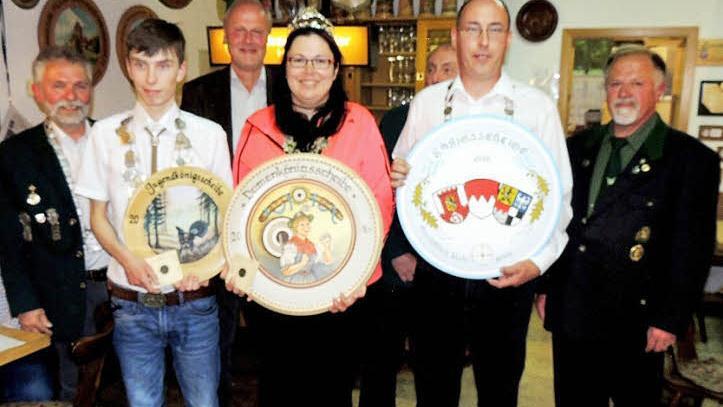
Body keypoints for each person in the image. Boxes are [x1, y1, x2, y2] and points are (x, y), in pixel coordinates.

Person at [390, 0, 573, 405]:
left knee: (499, 390)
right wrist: (398, 175)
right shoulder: (427, 104)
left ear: (508, 40)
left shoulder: (537, 108)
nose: (483, 41)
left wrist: (538, 262)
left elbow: (560, 196)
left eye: (494, 29)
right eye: (473, 28)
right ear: (456, 37)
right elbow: (402, 175)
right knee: (433, 390)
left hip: (508, 276)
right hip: (437, 275)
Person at [535, 44, 720, 407]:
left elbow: (693, 248)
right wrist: (546, 287)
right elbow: (555, 222)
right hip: (573, 308)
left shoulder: (691, 159)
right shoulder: (576, 148)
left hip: (639, 319)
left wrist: (671, 318)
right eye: (615, 83)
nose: (623, 92)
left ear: (660, 90)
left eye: (636, 83)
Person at [226, 8, 393, 406]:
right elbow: (239, 205)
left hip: (340, 292)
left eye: (320, 60)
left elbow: (380, 204)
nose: (309, 70)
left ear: (335, 70)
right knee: (278, 388)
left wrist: (356, 276)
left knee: (331, 389)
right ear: (284, 68)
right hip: (274, 292)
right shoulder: (258, 126)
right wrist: (238, 264)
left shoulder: (360, 123)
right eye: (298, 60)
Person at [75, 19, 232, 406]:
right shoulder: (105, 135)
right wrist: (127, 259)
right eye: (141, 64)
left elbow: (225, 216)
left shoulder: (210, 135)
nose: (150, 78)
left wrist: (208, 267)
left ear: (181, 70)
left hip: (193, 301)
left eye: (163, 65)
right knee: (142, 402)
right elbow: (97, 217)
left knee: (204, 401)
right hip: (131, 303)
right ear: (129, 68)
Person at [0, 46, 110, 402]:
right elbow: (8, 241)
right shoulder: (14, 154)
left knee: (127, 380)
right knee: (73, 389)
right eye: (58, 85)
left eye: (80, 85)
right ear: (37, 92)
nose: (71, 96)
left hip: (121, 285)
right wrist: (25, 304)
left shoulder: (114, 139)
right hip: (60, 294)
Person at [180, 3, 275, 402]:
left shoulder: (290, 87)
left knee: (275, 341)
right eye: (239, 31)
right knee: (217, 341)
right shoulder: (197, 92)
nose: (248, 40)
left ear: (268, 38)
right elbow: (185, 171)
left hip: (273, 236)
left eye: (257, 32)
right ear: (225, 37)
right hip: (215, 235)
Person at [358, 42, 458, 407]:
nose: (435, 76)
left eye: (446, 69)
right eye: (431, 68)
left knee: (436, 370)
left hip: (445, 270)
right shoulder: (397, 119)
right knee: (379, 364)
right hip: (392, 268)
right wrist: (397, 250)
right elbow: (378, 189)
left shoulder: (473, 127)